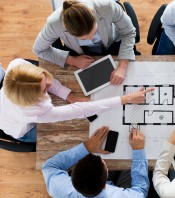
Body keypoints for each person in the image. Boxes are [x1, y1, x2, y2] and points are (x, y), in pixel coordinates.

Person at [0, 58, 153, 142]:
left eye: (43, 76)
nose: (49, 83)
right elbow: (82, 110)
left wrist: (71, 97)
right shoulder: (38, 112)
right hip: (20, 129)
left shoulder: (16, 64)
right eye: (44, 89)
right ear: (33, 98)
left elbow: (48, 83)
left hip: (9, 107)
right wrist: (128, 98)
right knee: (56, 137)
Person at [33, 0, 136, 85]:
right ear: (65, 27)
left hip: (113, 44)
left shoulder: (107, 6)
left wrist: (122, 66)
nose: (91, 39)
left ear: (93, 13)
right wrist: (71, 60)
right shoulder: (54, 23)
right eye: (83, 38)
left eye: (94, 33)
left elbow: (129, 32)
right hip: (79, 53)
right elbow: (38, 50)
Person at [42, 126, 149, 197]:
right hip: (117, 191)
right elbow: (140, 191)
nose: (102, 159)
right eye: (103, 163)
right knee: (126, 169)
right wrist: (138, 151)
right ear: (104, 184)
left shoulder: (60, 189)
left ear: (72, 178)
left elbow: (49, 166)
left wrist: (86, 147)